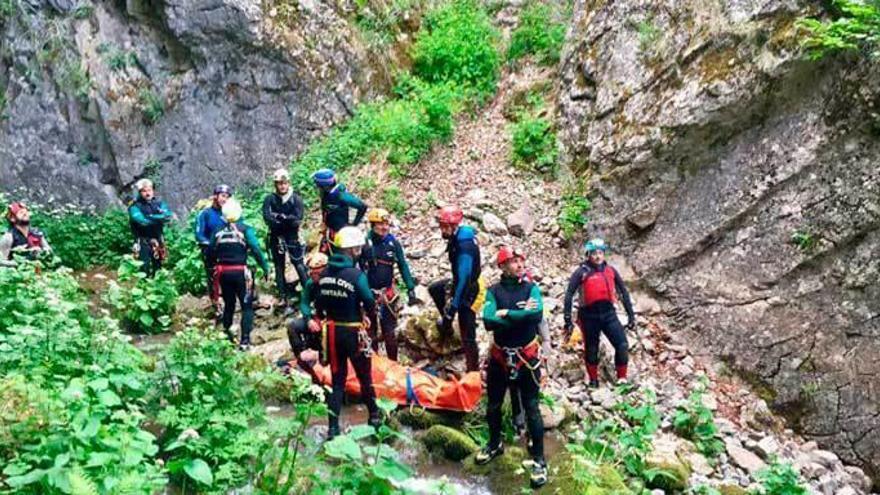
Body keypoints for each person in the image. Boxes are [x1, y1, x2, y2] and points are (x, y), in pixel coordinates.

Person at [476, 245, 548, 488]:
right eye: (514, 261)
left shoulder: (531, 288)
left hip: (526, 358)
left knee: (532, 408)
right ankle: (495, 443)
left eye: (521, 260)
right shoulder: (493, 291)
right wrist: (518, 315)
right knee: (493, 406)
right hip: (499, 358)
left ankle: (539, 459)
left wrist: (506, 315)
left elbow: (536, 314)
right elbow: (487, 320)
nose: (519, 264)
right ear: (503, 266)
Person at [314, 226, 380, 438]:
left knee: (338, 381)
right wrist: (372, 327)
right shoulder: (356, 275)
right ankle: (375, 419)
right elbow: (369, 302)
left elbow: (319, 305)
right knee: (364, 377)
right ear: (352, 250)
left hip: (332, 333)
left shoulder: (323, 274)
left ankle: (333, 428)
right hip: (353, 332)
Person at [563, 237, 636, 388]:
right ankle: (593, 380)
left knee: (622, 345)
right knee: (591, 349)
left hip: (609, 314)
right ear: (588, 254)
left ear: (604, 254)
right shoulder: (581, 272)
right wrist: (568, 319)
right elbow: (569, 294)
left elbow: (623, 293)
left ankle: (622, 378)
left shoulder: (611, 271)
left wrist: (631, 315)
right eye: (594, 253)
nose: (597, 256)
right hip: (589, 316)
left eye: (600, 253)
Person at [428, 205, 483, 372]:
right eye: (441, 225)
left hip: (470, 289)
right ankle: (448, 329)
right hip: (461, 280)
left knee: (467, 332)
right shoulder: (458, 235)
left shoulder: (464, 246)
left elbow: (464, 279)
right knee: (436, 289)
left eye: (444, 226)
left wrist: (452, 309)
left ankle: (472, 371)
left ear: (453, 226)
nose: (441, 229)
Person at [210, 199, 270, 351]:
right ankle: (244, 341)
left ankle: (226, 334)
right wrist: (265, 267)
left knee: (229, 304)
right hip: (240, 272)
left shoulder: (217, 230)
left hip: (223, 272)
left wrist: (212, 269)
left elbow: (210, 252)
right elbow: (255, 248)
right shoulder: (245, 229)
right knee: (246, 306)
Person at [359, 208, 418, 361]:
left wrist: (410, 287)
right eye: (381, 224)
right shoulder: (364, 243)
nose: (385, 227)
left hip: (387, 294)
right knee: (370, 330)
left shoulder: (393, 243)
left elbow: (402, 265)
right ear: (372, 225)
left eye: (387, 224)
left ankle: (393, 363)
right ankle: (374, 362)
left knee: (389, 331)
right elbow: (356, 269)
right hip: (369, 294)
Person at [262, 169, 308, 307]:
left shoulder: (295, 199)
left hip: (292, 236)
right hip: (276, 236)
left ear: (288, 183)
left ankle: (308, 291)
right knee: (278, 266)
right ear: (275, 185)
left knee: (298, 263)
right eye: (279, 184)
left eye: (284, 183)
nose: (282, 186)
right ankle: (282, 296)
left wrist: (281, 218)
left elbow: (297, 219)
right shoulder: (270, 199)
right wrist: (284, 219)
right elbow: (267, 217)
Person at [287, 252, 328, 382]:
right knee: (292, 326)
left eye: (317, 273)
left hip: (332, 320)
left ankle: (324, 362)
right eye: (311, 272)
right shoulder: (311, 284)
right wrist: (309, 319)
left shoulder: (333, 282)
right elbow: (304, 303)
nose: (313, 275)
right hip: (318, 317)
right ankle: (302, 357)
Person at [311, 168, 367, 253]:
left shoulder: (340, 195)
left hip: (341, 232)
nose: (317, 187)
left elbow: (362, 206)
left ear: (323, 186)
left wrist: (354, 224)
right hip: (330, 230)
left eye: (317, 185)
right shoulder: (326, 194)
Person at [195, 184, 232, 303]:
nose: (224, 199)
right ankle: (215, 303)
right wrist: (210, 244)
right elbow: (199, 234)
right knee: (213, 277)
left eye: (227, 197)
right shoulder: (205, 214)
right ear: (216, 196)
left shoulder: (229, 213)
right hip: (210, 250)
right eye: (222, 196)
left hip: (226, 249)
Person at [128, 179, 172, 276]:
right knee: (144, 268)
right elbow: (142, 221)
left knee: (159, 267)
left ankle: (158, 288)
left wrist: (150, 217)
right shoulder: (134, 207)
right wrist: (158, 218)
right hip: (142, 240)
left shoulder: (159, 204)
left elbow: (167, 215)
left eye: (149, 190)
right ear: (139, 193)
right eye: (144, 191)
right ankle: (144, 288)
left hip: (158, 240)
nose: (147, 193)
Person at [0, 202, 52, 266]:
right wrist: (22, 261)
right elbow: (1, 261)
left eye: (26, 212)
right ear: (12, 218)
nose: (25, 214)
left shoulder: (37, 233)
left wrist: (41, 252)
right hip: (17, 273)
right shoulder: (9, 237)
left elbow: (49, 251)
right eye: (21, 213)